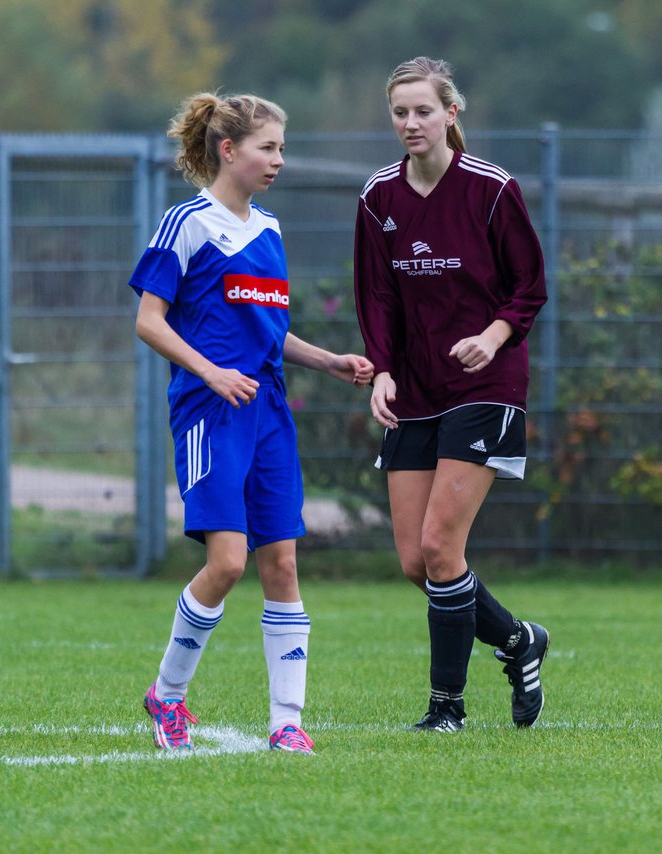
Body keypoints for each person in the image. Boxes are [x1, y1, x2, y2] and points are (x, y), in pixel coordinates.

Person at [129, 92, 374, 753]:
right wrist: (210, 372)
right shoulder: (187, 223)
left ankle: (287, 721)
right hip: (211, 411)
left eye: (283, 148)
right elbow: (148, 321)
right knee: (228, 563)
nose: (279, 160)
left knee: (283, 565)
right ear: (229, 150)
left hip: (266, 410)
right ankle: (167, 698)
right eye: (268, 148)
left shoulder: (268, 229)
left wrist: (327, 360)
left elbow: (270, 331)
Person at [353, 57, 551, 733]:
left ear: (451, 114)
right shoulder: (378, 197)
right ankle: (521, 640)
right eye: (400, 112)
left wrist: (493, 338)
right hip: (416, 388)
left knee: (441, 545)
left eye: (423, 111)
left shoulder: (492, 190)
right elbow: (376, 296)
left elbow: (530, 286)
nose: (411, 123)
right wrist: (381, 369)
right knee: (418, 561)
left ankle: (447, 707)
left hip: (486, 385)